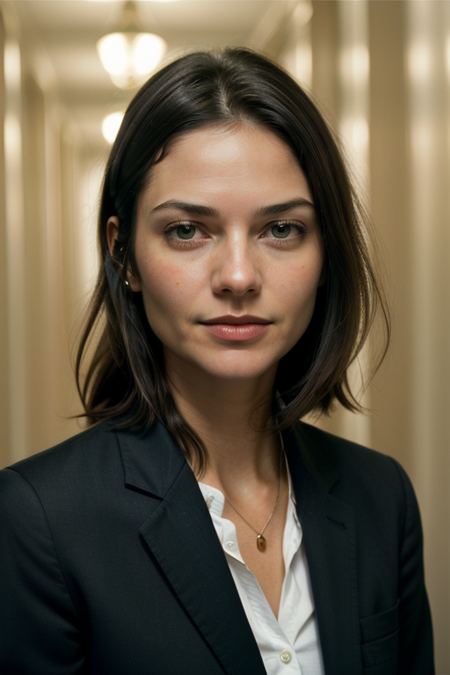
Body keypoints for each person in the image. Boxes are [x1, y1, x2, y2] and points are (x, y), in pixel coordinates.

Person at [0, 48, 433, 675]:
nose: (237, 276)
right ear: (123, 257)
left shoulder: (380, 497)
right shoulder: (38, 519)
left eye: (280, 229)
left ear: (325, 253)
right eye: (187, 231)